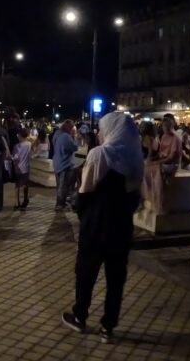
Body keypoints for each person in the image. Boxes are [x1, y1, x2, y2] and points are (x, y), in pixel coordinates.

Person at [61, 112, 143, 344]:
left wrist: (83, 214)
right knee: (116, 277)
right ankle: (108, 326)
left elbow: (85, 191)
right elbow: (135, 197)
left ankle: (80, 315)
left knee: (86, 271)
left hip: (97, 223)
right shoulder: (135, 158)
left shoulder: (100, 154)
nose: (99, 133)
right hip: (122, 225)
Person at [52, 120, 78, 210]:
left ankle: (61, 203)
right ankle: (59, 204)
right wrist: (73, 137)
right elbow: (74, 147)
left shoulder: (57, 134)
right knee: (63, 186)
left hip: (57, 163)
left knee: (60, 185)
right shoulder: (66, 136)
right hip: (65, 164)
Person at [12, 129, 32, 210]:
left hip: (18, 168)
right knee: (25, 185)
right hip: (26, 167)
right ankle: (25, 200)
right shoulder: (29, 144)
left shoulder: (17, 146)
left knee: (17, 186)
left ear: (20, 136)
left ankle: (17, 203)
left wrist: (10, 158)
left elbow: (15, 157)